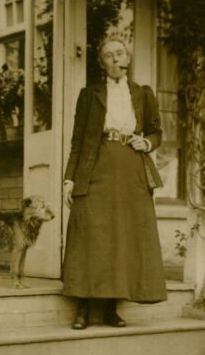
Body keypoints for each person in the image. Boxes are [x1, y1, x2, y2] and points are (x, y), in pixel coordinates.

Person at [62, 36, 168, 330]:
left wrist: (146, 142)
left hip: (131, 168)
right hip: (95, 165)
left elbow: (157, 132)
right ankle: (82, 307)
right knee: (90, 233)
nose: (115, 59)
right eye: (108, 56)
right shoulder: (89, 95)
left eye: (120, 53)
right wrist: (69, 179)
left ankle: (111, 310)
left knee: (122, 237)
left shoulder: (144, 94)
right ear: (102, 64)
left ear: (128, 58)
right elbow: (78, 141)